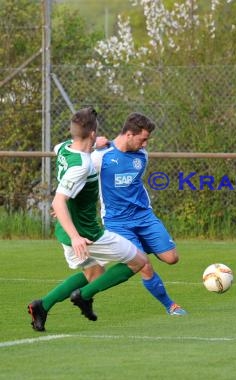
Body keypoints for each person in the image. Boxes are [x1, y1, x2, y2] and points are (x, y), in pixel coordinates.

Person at [27, 107, 149, 332]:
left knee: (95, 274)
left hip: (65, 229)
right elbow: (58, 201)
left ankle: (41, 306)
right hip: (86, 234)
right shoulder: (82, 165)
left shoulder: (64, 148)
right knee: (139, 261)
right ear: (93, 133)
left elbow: (63, 156)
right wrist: (76, 236)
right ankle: (83, 297)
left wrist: (95, 145)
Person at [91, 112, 187, 316]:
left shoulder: (142, 156)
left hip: (144, 217)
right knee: (144, 264)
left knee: (171, 258)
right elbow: (73, 158)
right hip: (117, 222)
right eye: (143, 139)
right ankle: (171, 306)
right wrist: (92, 144)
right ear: (128, 134)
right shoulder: (100, 157)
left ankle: (134, 250)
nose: (145, 145)